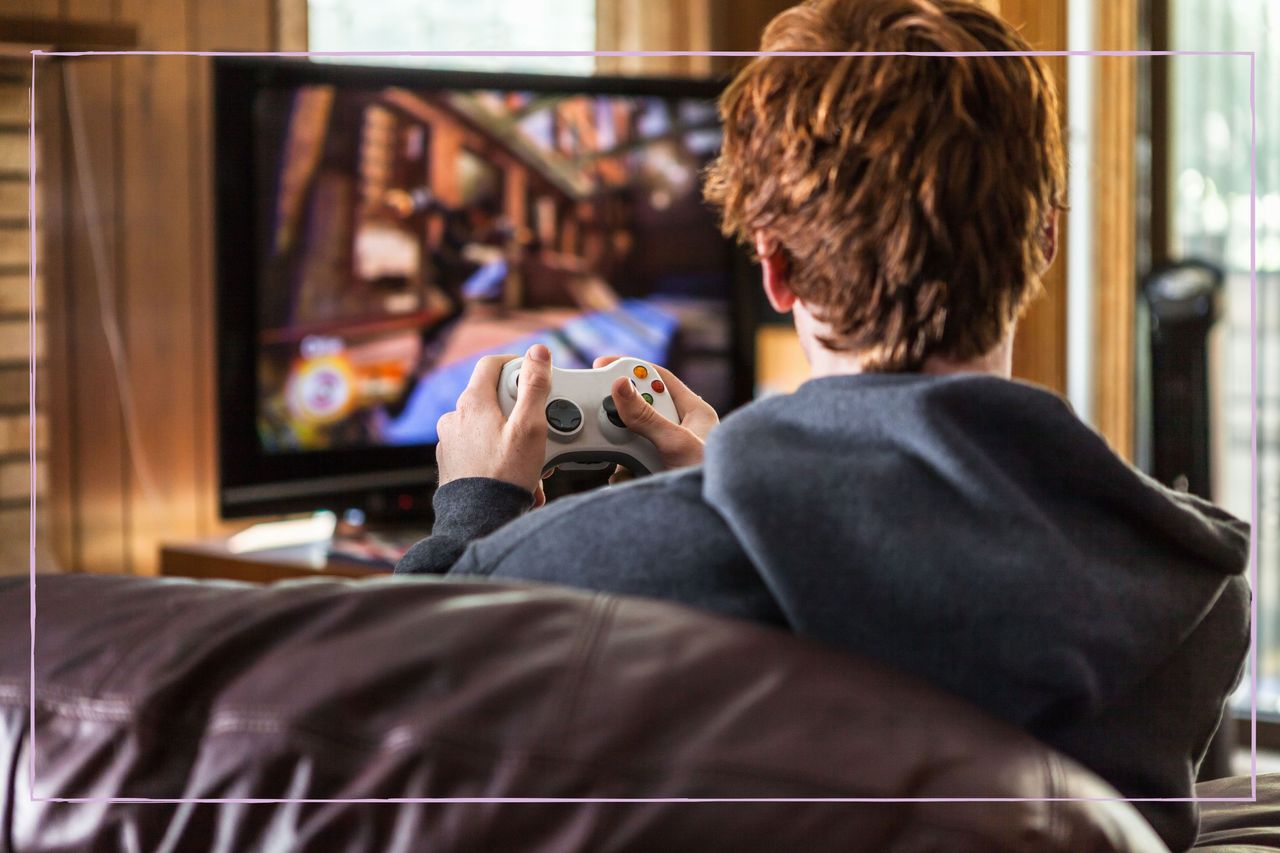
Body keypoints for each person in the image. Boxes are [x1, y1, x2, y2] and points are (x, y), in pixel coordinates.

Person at [396, 0, 1250, 847]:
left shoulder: (597, 573)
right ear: (1046, 242)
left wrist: (472, 511)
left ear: (776, 267)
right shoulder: (1196, 590)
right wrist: (720, 481)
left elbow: (382, 738)